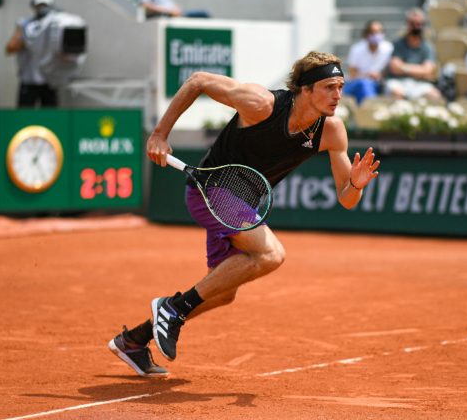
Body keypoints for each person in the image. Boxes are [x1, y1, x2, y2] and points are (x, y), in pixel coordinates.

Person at [108, 51, 380, 377]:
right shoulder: (261, 104)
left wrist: (357, 184)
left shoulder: (332, 131)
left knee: (222, 292)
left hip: (243, 203)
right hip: (211, 190)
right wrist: (159, 134)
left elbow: (347, 200)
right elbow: (198, 81)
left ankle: (134, 340)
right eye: (328, 87)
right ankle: (172, 309)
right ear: (305, 89)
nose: (337, 95)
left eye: (340, 86)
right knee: (272, 254)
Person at [5, 0, 59, 108]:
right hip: (29, 82)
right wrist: (29, 40)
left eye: (45, 5)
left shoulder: (55, 26)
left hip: (49, 82)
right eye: (39, 5)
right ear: (34, 5)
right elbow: (9, 48)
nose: (42, 8)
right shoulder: (25, 25)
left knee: (52, 120)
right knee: (25, 119)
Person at [385, 9, 441, 101]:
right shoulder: (398, 43)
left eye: (419, 23)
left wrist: (403, 68)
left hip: (420, 84)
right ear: (407, 24)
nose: (416, 26)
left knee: (435, 95)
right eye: (413, 23)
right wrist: (419, 70)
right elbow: (395, 67)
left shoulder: (428, 46)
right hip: (399, 82)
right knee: (396, 93)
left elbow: (428, 71)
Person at [342, 20, 393, 104]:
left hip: (377, 84)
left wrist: (380, 75)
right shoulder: (356, 49)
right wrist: (368, 75)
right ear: (366, 34)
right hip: (357, 84)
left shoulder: (388, 48)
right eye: (373, 32)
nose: (377, 35)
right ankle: (372, 108)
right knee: (365, 84)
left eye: (380, 32)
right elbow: (352, 74)